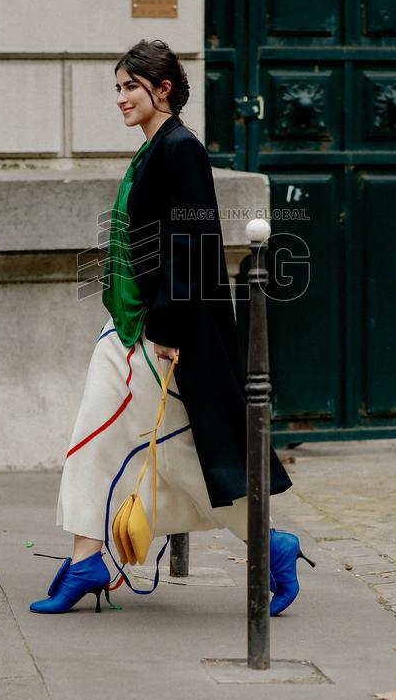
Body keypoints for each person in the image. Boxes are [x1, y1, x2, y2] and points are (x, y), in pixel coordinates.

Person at [29, 39, 314, 617]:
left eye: (131, 87)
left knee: (114, 437)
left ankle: (92, 559)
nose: (121, 98)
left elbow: (192, 242)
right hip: (136, 321)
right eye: (117, 88)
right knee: (174, 447)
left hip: (155, 329)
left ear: (163, 90)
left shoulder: (179, 148)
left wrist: (167, 325)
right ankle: (266, 545)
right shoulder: (156, 148)